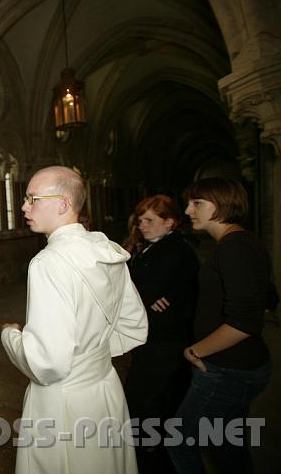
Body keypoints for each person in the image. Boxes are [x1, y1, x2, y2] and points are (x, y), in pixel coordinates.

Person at [1, 166, 147, 474]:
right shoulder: (107, 250)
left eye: (32, 198)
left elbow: (47, 363)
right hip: (105, 388)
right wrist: (91, 357)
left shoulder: (48, 262)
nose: (24, 207)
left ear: (63, 204)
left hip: (63, 402)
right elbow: (134, 325)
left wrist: (11, 336)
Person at [168, 178, 272, 473]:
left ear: (224, 203)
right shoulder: (240, 241)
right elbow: (268, 296)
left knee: (180, 441)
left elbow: (244, 322)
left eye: (197, 203)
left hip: (227, 368)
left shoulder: (234, 247)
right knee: (227, 445)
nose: (188, 210)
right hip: (239, 364)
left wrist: (195, 350)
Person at [124, 195, 199, 469]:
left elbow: (130, 287)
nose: (142, 225)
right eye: (140, 219)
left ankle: (153, 463)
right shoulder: (155, 248)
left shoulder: (174, 250)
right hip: (154, 341)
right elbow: (130, 283)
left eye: (149, 220)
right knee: (148, 406)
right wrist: (145, 295)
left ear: (169, 223)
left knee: (149, 407)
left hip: (165, 344)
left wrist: (142, 293)